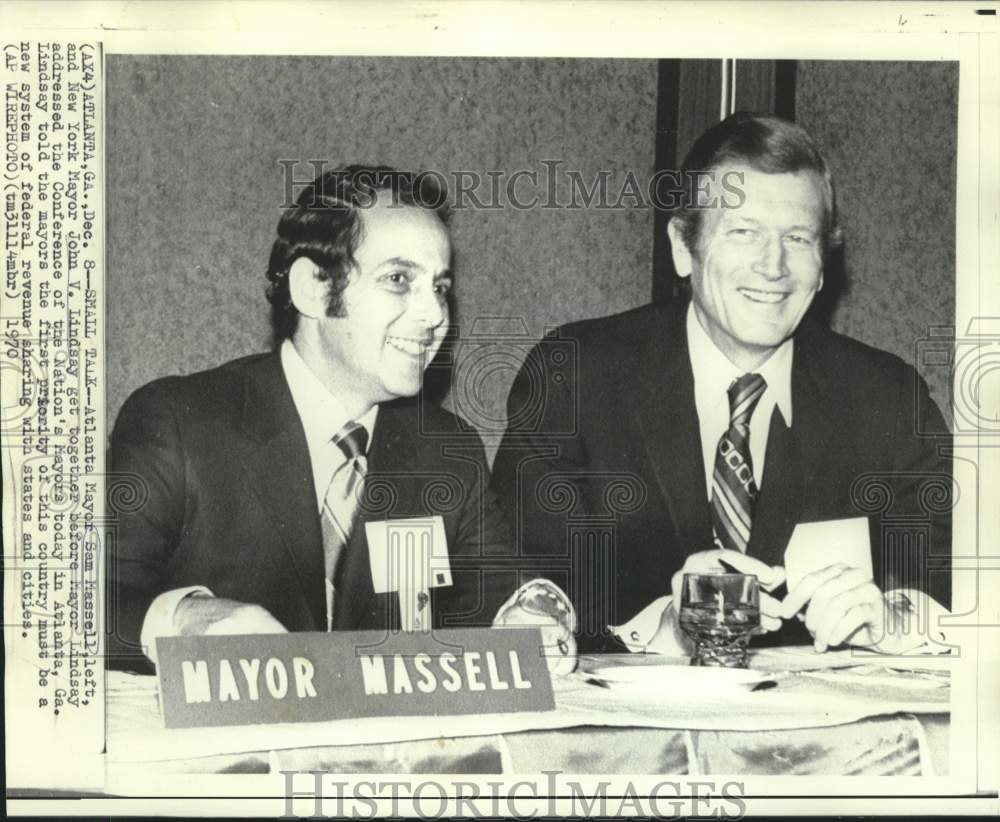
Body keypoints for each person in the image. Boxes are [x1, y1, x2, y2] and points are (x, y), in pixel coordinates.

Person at [491, 113, 952, 657]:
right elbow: (521, 585)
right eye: (744, 233)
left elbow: (963, 581)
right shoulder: (575, 376)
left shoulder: (886, 397)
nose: (773, 267)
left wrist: (896, 619)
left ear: (824, 265)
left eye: (798, 239)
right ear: (684, 248)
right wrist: (664, 628)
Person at [107, 166, 562, 673]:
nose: (434, 314)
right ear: (313, 290)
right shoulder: (178, 423)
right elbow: (77, 606)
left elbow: (500, 586)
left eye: (440, 287)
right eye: (398, 280)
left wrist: (533, 608)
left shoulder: (444, 449)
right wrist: (183, 619)